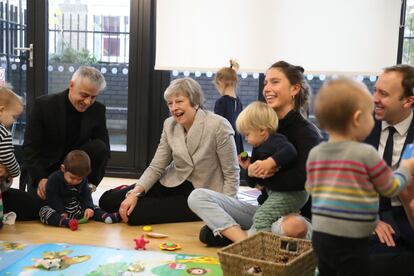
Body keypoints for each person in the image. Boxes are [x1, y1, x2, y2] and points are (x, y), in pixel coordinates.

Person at [188, 61, 321, 246]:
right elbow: (253, 182)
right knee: (198, 197)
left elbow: (302, 181)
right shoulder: (263, 128)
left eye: (274, 82)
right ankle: (247, 240)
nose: (267, 88)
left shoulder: (307, 132)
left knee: (292, 227)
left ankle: (244, 236)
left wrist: (265, 175)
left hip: (296, 215)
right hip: (265, 210)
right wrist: (250, 170)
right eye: (266, 83)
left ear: (294, 89)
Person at [306, 78, 414, 276]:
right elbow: (390, 188)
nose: (374, 119)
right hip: (352, 240)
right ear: (357, 118)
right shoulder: (366, 154)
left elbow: (311, 188)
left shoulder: (316, 153)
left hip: (321, 236)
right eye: (370, 115)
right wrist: (405, 168)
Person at [99, 77, 239, 225]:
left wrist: (224, 209)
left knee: (135, 214)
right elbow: (156, 166)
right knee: (107, 201)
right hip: (172, 181)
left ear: (195, 102)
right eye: (170, 103)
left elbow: (232, 173)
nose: (173, 108)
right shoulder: (169, 125)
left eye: (179, 101)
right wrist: (134, 193)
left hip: (201, 194)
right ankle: (135, 191)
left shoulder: (218, 125)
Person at [23, 65, 110, 201]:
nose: (88, 102)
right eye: (84, 95)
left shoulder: (97, 110)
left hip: (76, 168)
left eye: (93, 97)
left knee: (99, 146)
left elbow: (105, 150)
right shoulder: (44, 105)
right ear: (71, 85)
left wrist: (92, 183)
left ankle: (83, 187)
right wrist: (40, 179)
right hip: (46, 169)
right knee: (38, 209)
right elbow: (30, 147)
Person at [364, 64, 414, 275]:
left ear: (408, 101)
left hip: (408, 212)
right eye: (375, 90)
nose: (374, 98)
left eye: (383, 94)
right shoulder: (362, 124)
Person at [236, 101, 308, 234]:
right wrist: (248, 169)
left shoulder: (275, 140)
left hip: (291, 193)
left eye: (247, 134)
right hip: (277, 194)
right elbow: (254, 183)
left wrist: (270, 162)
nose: (246, 139)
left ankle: (264, 247)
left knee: (261, 217)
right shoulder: (258, 149)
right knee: (265, 218)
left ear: (262, 131)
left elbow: (290, 151)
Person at [39, 150, 120, 231]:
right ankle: (65, 222)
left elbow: (86, 195)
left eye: (79, 179)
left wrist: (88, 207)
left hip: (76, 208)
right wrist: (61, 211)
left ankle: (105, 216)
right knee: (44, 212)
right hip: (58, 208)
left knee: (93, 207)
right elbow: (52, 198)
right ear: (63, 169)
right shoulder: (54, 179)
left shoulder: (84, 180)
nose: (75, 181)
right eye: (72, 178)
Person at [0, 85, 23, 228]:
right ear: (1, 110)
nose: (14, 121)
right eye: (13, 117)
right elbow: (7, 155)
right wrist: (15, 171)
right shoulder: (3, 132)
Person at [214, 59, 244, 154]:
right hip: (238, 144)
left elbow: (217, 128)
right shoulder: (239, 102)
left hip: (226, 144)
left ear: (221, 82)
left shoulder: (221, 102)